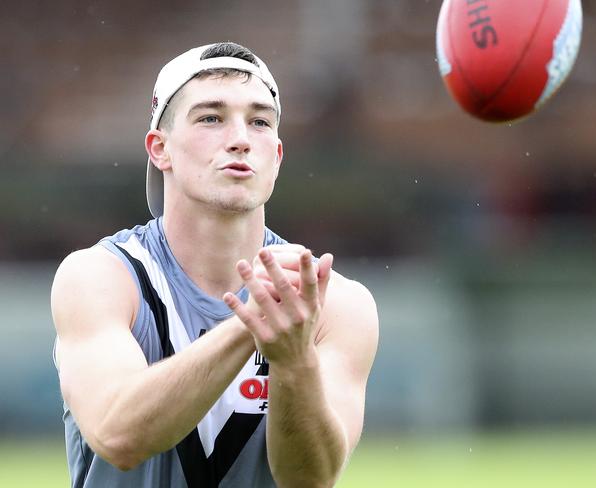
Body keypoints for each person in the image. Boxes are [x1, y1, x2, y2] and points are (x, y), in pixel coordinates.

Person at [50, 41, 378, 488]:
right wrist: (254, 323)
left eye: (259, 121)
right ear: (159, 149)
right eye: (210, 117)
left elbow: (310, 478)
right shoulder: (100, 277)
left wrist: (295, 362)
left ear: (277, 159)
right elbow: (119, 434)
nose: (241, 138)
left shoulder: (339, 302)